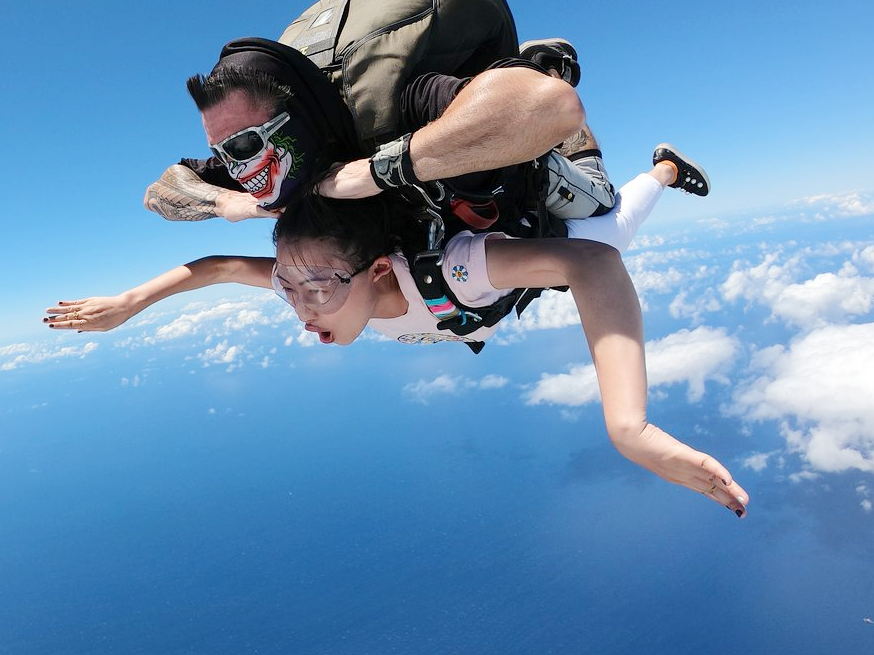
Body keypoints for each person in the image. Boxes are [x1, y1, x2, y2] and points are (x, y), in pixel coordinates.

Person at [48, 145, 746, 516]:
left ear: (381, 269)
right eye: (288, 287)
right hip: (472, 303)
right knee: (614, 229)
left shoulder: (457, 271)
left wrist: (629, 427)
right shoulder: (319, 277)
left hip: (518, 263)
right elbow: (224, 265)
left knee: (612, 229)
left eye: (314, 288)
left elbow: (590, 265)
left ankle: (654, 164)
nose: (297, 306)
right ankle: (652, 166)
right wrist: (129, 303)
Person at [144, 36, 616, 242]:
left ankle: (540, 60)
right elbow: (161, 193)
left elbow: (551, 107)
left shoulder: (397, 102)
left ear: (295, 122)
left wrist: (374, 172)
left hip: (507, 166)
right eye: (221, 153)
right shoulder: (241, 166)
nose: (236, 168)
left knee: (598, 207)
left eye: (244, 144)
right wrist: (233, 206)